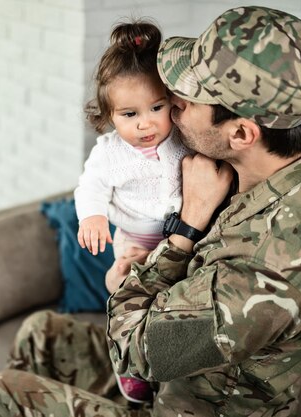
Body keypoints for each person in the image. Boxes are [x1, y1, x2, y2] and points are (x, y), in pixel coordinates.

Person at [0, 6, 301, 417]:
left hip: (175, 401)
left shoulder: (270, 269)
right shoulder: (261, 173)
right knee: (39, 333)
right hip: (166, 382)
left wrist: (184, 229)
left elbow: (135, 348)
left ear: (242, 132)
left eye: (184, 102)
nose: (171, 106)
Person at [74, 19, 189, 403]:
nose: (146, 123)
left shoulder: (182, 139)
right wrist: (92, 215)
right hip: (134, 237)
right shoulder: (109, 152)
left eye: (157, 107)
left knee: (168, 303)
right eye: (129, 115)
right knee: (127, 291)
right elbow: (90, 186)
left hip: (178, 236)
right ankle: (129, 366)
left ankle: (164, 363)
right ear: (108, 116)